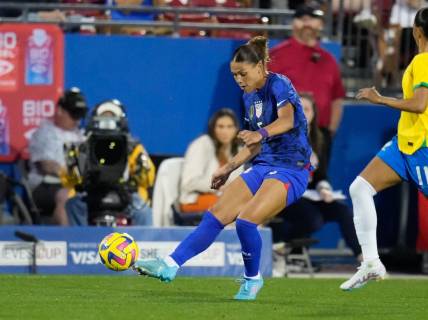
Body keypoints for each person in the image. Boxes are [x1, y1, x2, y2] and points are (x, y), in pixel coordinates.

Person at [133, 36, 312, 301]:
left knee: (246, 221)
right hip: (264, 165)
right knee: (216, 214)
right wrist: (227, 168)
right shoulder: (248, 96)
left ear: (260, 67)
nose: (239, 80)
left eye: (243, 73)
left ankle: (253, 280)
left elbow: (286, 121)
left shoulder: (280, 84)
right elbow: (253, 146)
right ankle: (170, 264)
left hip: (292, 170)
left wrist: (259, 133)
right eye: (234, 75)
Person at [340, 6, 428, 291]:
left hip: (422, 147)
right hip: (405, 143)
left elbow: (419, 104)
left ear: (416, 31)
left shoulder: (424, 61)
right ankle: (371, 263)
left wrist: (380, 100)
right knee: (360, 187)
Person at [271, 93, 362, 265]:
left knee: (343, 211)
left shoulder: (322, 138)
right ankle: (280, 243)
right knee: (314, 220)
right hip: (285, 193)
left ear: (313, 113)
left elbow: (321, 175)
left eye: (306, 109)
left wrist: (324, 189)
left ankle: (363, 258)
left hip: (310, 194)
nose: (302, 113)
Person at [269, 4, 346, 159]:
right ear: (293, 23)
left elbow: (337, 98)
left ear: (321, 25)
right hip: (284, 132)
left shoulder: (329, 60)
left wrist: (330, 131)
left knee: (318, 181)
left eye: (313, 19)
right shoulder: (276, 55)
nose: (307, 23)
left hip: (320, 133)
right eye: (303, 19)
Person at [63, 99, 156, 226]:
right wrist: (73, 169)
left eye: (111, 117)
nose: (107, 121)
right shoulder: (85, 147)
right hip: (92, 191)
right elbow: (70, 180)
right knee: (73, 205)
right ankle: (79, 241)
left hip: (123, 192)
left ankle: (146, 244)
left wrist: (141, 170)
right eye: (103, 117)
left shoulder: (133, 147)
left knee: (143, 211)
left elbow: (148, 179)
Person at [28, 88, 88, 225]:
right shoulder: (45, 132)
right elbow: (46, 166)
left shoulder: (82, 135)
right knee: (66, 196)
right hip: (47, 184)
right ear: (60, 110)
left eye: (79, 115)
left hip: (76, 184)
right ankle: (67, 240)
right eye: (73, 115)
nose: (77, 120)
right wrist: (71, 176)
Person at [179, 108, 242, 214]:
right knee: (232, 207)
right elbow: (189, 182)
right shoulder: (201, 145)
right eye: (220, 127)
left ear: (236, 129)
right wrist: (219, 186)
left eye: (229, 127)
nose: (225, 131)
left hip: (224, 198)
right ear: (213, 128)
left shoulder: (238, 150)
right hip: (194, 199)